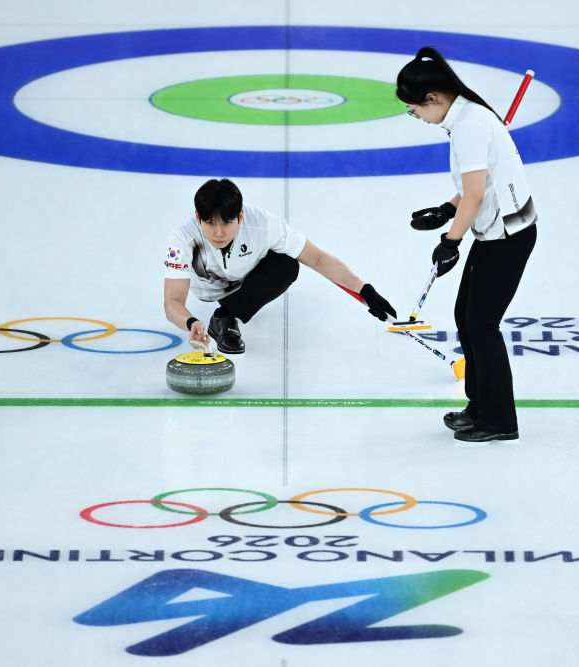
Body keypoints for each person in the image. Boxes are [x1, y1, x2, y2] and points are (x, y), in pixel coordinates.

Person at [396, 46, 538, 444]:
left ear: (433, 98)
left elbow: (475, 196)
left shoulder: (469, 126)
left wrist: (450, 241)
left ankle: (499, 420)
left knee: (481, 324)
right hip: (496, 232)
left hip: (508, 236)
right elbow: (477, 186)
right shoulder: (466, 118)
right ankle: (479, 407)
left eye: (414, 109)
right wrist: (447, 210)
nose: (417, 116)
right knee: (466, 316)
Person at [164, 178, 395, 354]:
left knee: (287, 264)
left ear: (240, 216)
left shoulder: (263, 224)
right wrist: (191, 322)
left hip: (247, 283)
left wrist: (365, 290)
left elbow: (316, 258)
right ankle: (225, 312)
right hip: (210, 291)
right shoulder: (184, 237)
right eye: (209, 222)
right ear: (198, 217)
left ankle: (226, 317)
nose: (218, 233)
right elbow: (172, 301)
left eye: (227, 222)